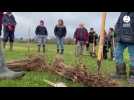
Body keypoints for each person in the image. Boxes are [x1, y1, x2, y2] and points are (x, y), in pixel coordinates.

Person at [112, 12, 134, 84]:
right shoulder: (122, 13)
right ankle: (121, 74)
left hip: (132, 39)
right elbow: (118, 24)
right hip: (121, 39)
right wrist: (117, 32)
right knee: (117, 54)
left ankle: (132, 76)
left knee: (133, 57)